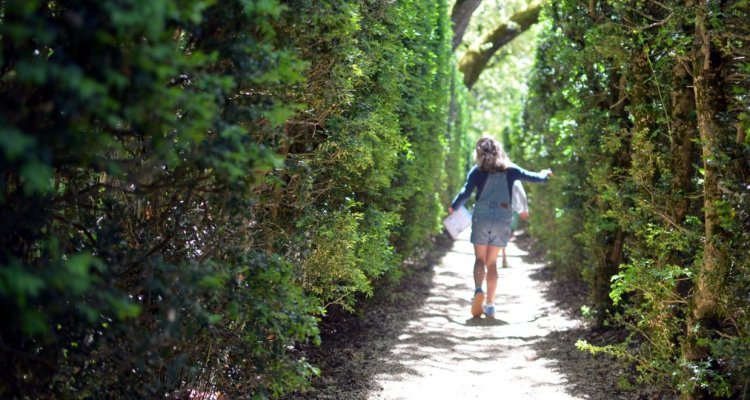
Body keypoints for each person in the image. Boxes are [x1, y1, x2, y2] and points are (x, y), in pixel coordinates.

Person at [448, 136, 551, 318]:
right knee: (492, 263)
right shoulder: (510, 170)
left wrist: (454, 206)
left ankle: (478, 290)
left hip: (482, 216)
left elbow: (466, 192)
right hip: (502, 218)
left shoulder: (477, 171)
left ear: (479, 152)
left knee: (480, 260)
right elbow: (533, 177)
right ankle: (490, 305)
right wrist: (544, 175)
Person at [502, 180, 529, 268]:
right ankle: (504, 256)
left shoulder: (496, 177)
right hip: (512, 210)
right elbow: (522, 195)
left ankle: (503, 255)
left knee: (501, 233)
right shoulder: (516, 180)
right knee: (508, 234)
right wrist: (524, 210)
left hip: (499, 209)